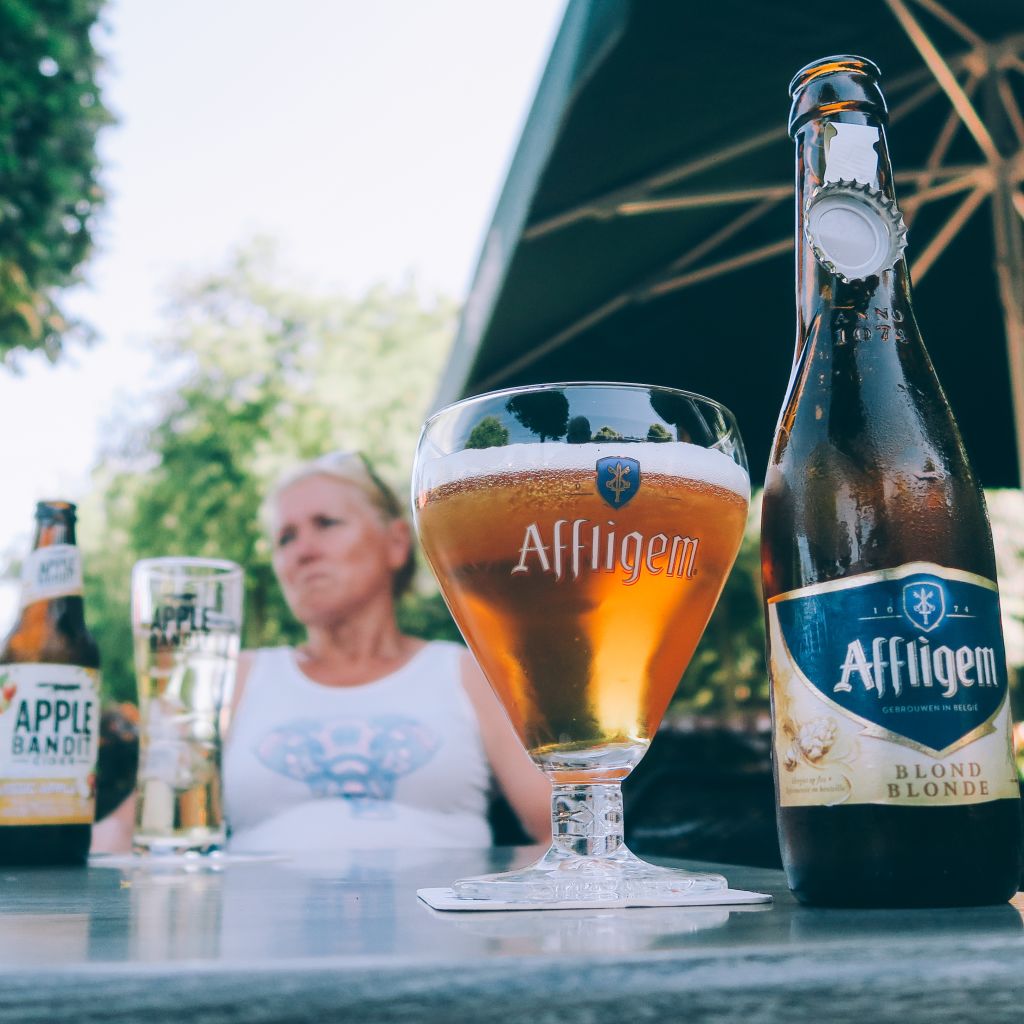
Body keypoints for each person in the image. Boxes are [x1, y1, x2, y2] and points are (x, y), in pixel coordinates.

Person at [222, 450, 551, 852]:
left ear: (396, 543)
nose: (303, 551)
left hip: (438, 895)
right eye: (285, 538)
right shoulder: (235, 678)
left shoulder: (467, 674)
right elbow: (156, 828)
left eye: (326, 523)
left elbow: (560, 832)